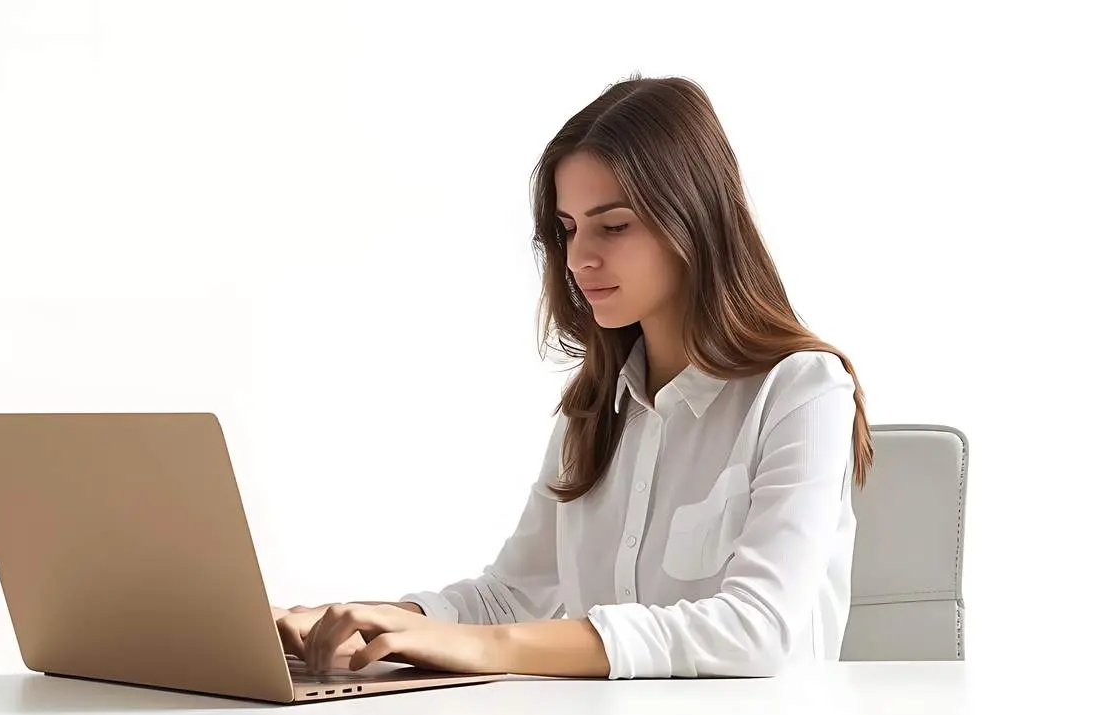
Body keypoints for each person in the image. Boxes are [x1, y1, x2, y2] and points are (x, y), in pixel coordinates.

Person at [273, 74, 874, 680]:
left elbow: (756, 629)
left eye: (613, 226)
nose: (579, 258)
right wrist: (369, 620)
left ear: (693, 218)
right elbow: (510, 596)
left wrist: (492, 647)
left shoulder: (803, 390)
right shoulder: (592, 411)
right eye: (566, 229)